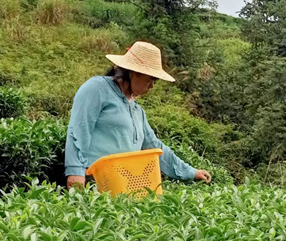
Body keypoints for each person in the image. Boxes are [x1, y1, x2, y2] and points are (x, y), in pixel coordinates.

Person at [64, 41, 212, 189]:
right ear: (134, 73)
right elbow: (79, 128)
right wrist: (75, 171)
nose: (152, 86)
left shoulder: (137, 110)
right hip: (95, 179)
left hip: (124, 182)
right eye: (150, 80)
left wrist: (191, 172)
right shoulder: (97, 88)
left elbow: (154, 147)